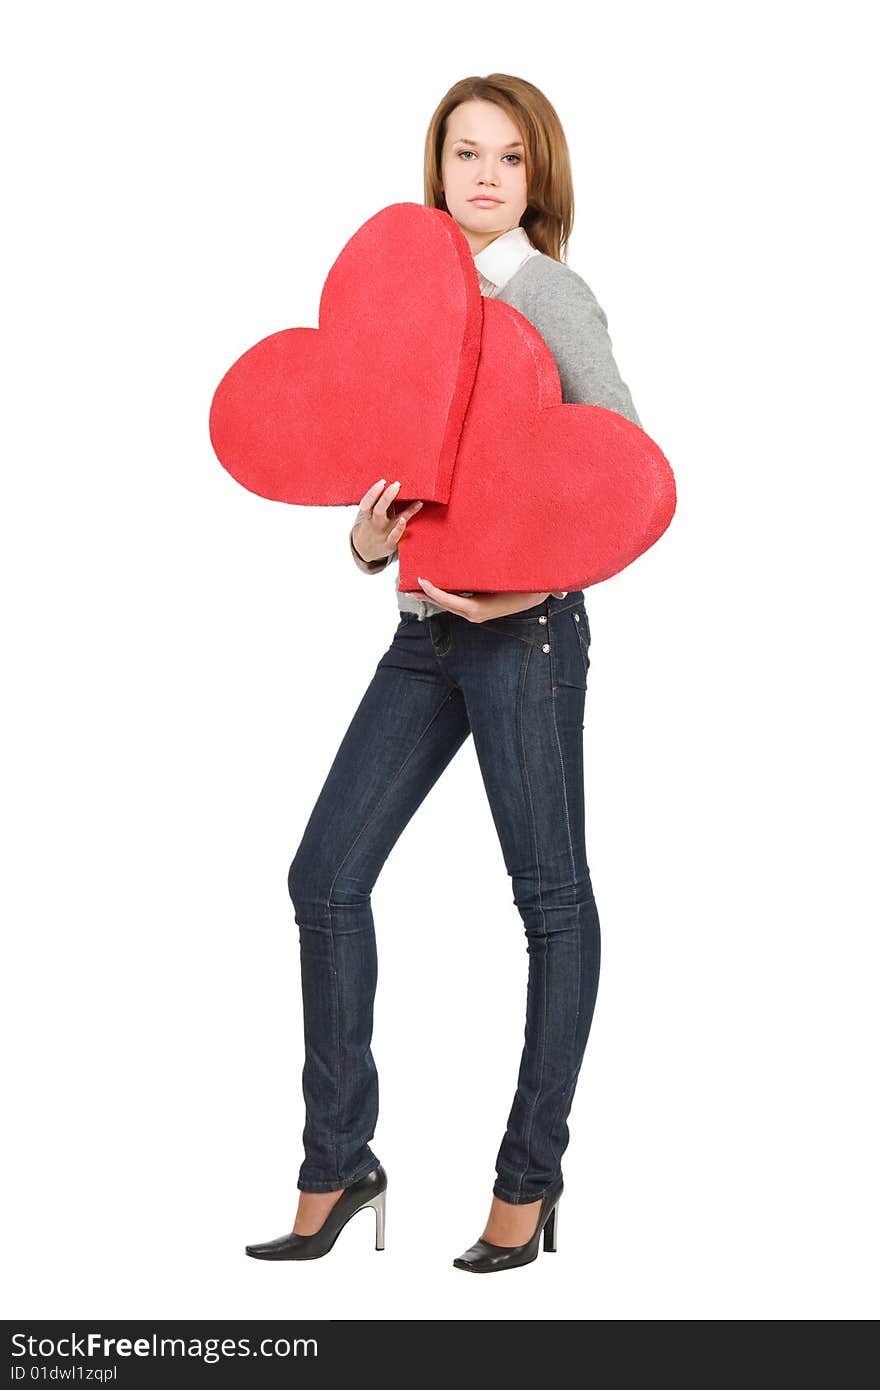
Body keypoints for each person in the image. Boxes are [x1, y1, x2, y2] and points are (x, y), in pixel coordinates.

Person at [246, 73, 641, 1273]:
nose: (482, 176)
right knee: (324, 878)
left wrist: (518, 589)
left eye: (508, 159)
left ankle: (527, 1183)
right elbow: (381, 487)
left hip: (522, 636)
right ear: (436, 168)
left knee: (549, 901)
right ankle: (337, 1162)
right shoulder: (403, 306)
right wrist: (368, 545)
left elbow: (620, 473)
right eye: (464, 153)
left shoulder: (548, 293)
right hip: (422, 635)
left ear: (537, 177)